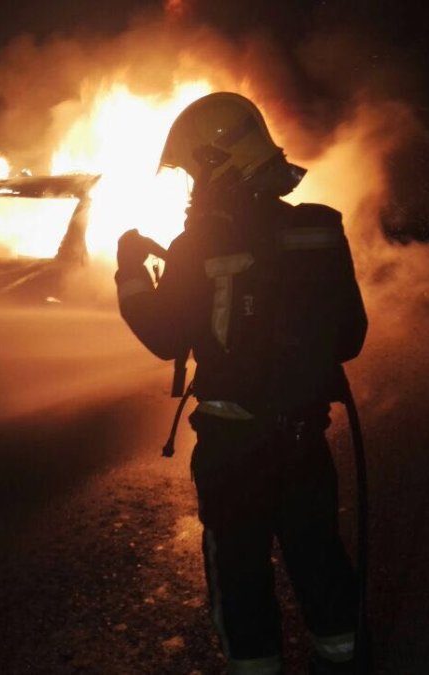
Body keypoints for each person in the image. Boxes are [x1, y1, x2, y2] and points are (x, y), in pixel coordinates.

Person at [115, 92, 368, 674]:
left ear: (217, 162)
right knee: (322, 567)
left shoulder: (196, 246)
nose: (190, 187)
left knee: (241, 582)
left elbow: (162, 337)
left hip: (233, 454)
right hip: (304, 447)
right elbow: (350, 338)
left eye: (191, 171)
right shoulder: (321, 230)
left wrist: (130, 271)